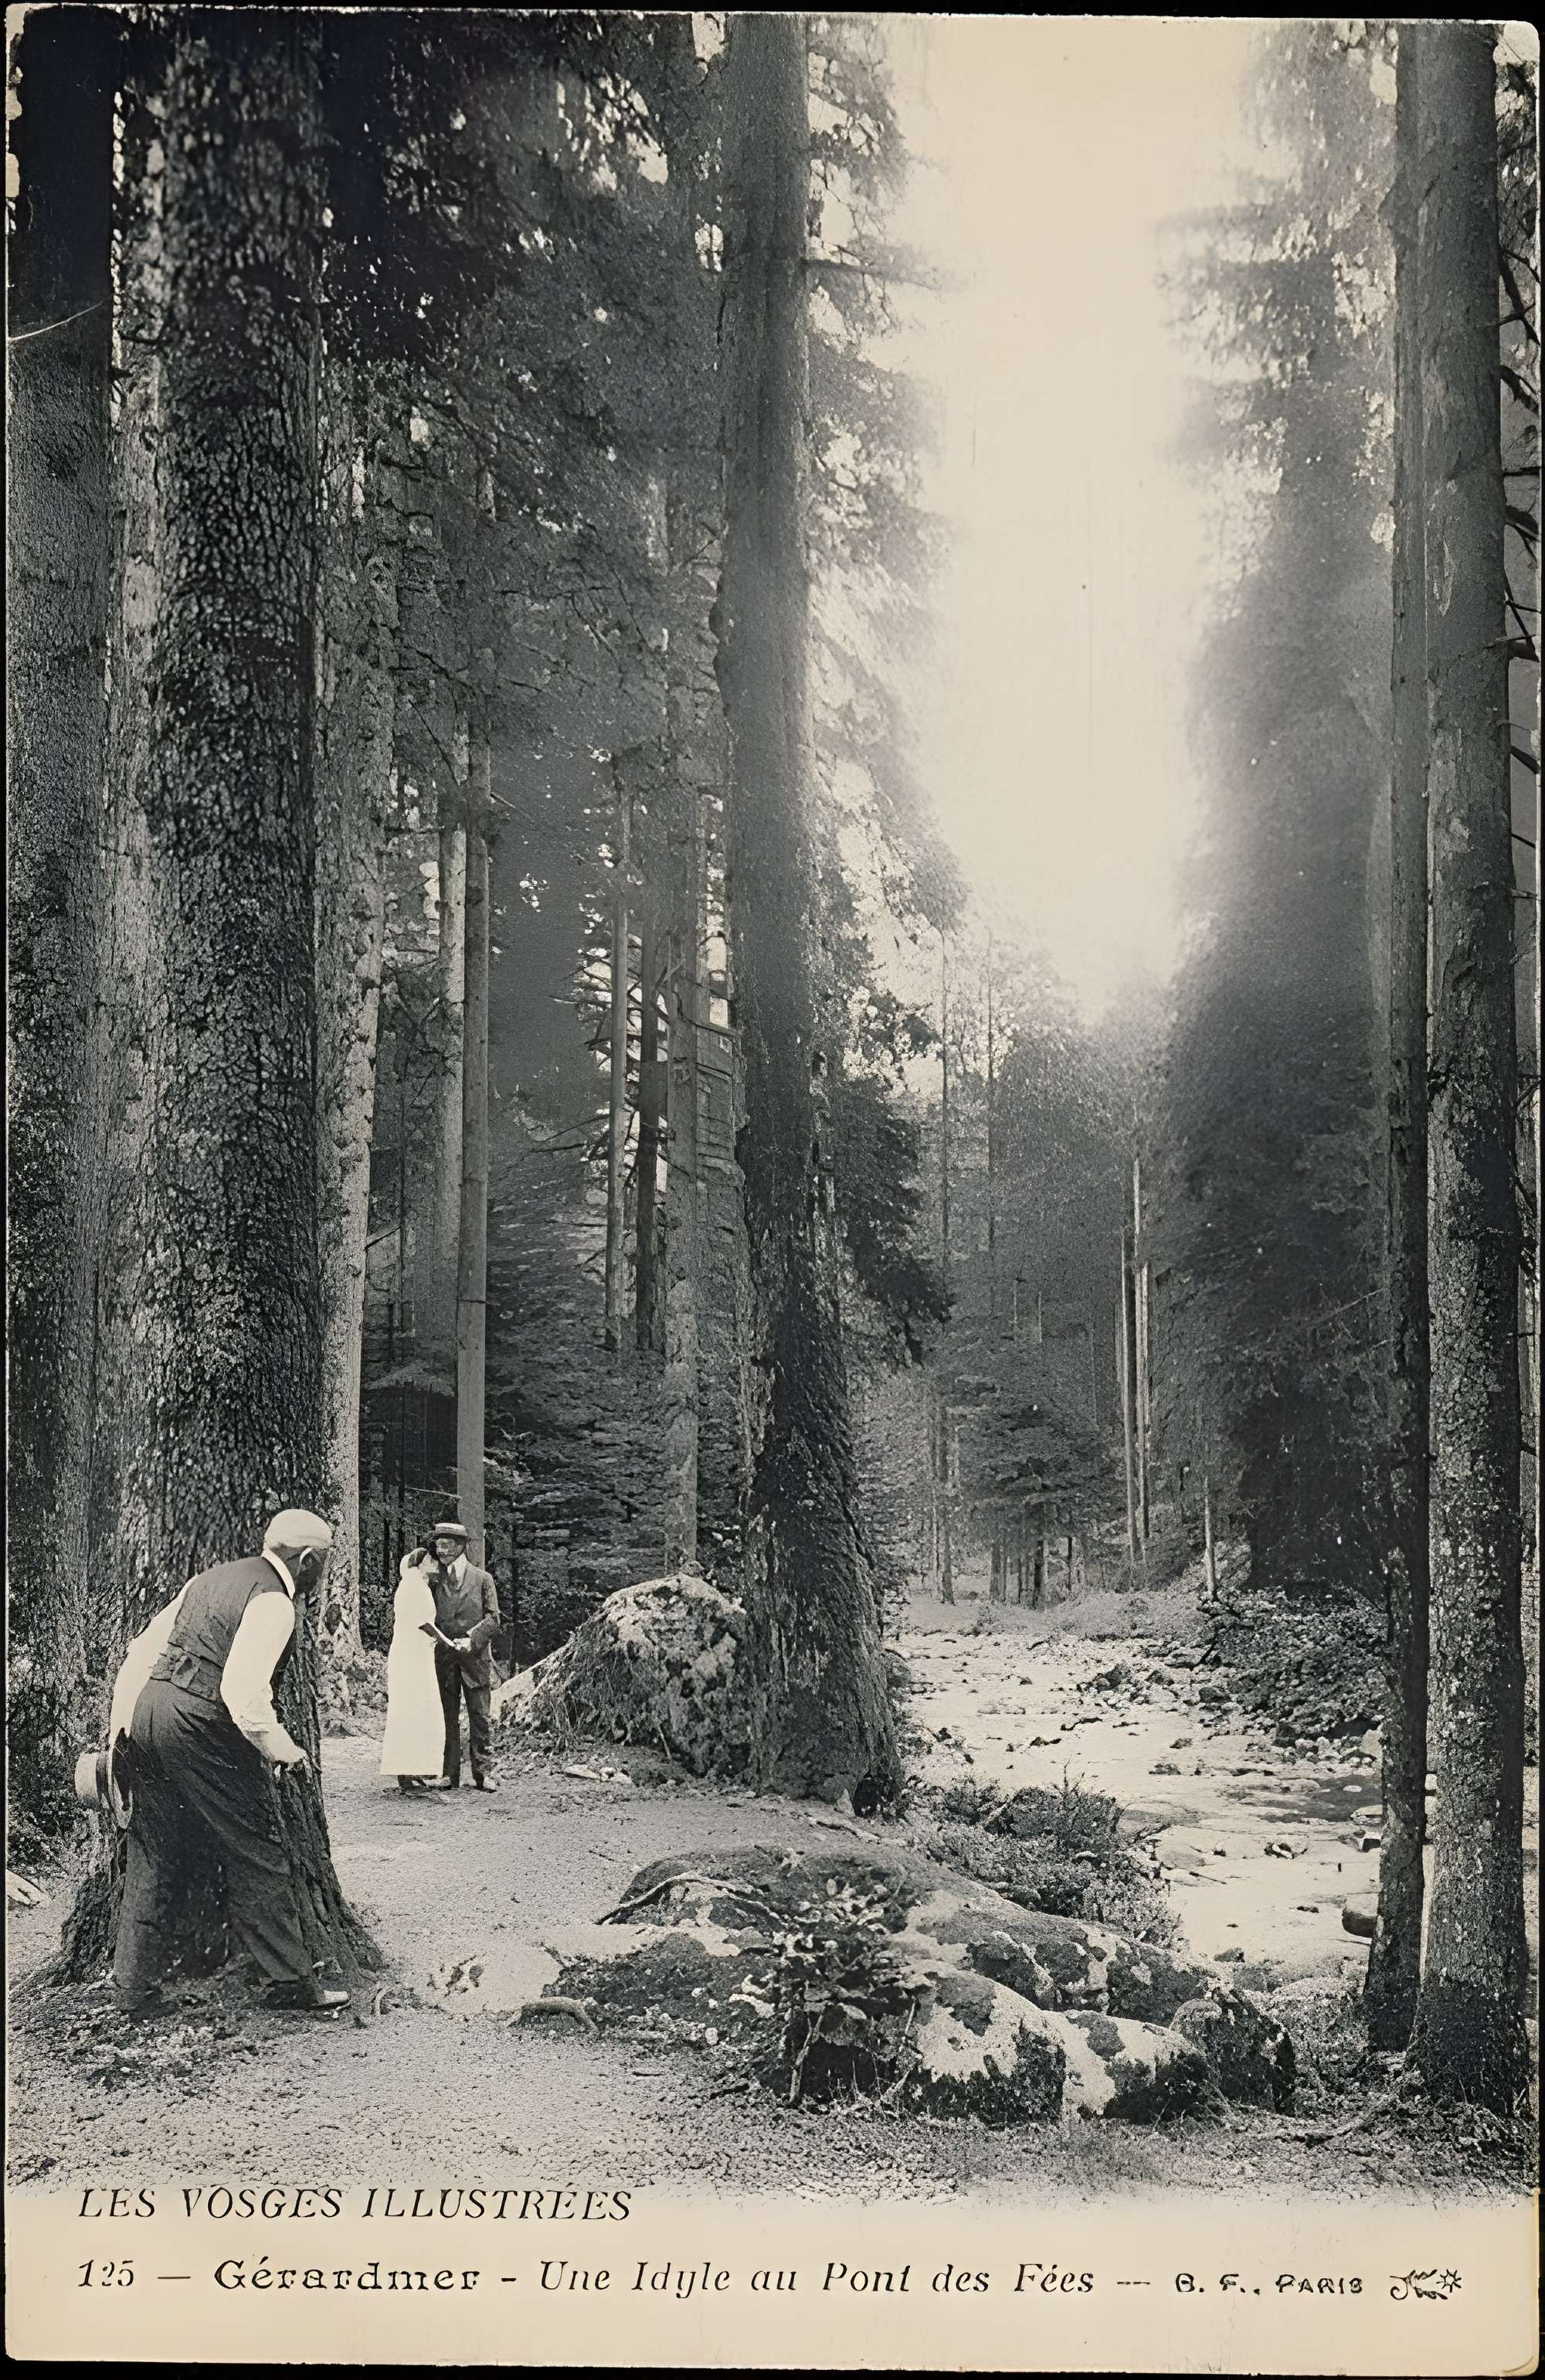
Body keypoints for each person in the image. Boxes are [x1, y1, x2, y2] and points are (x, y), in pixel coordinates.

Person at [107, 1509, 348, 2016]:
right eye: (322, 1565)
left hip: (149, 1709)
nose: (320, 1577)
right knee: (257, 1847)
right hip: (202, 1725)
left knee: (151, 1852)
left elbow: (141, 1650)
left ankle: (133, 1991)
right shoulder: (274, 1603)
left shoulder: (208, 1579)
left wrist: (122, 1732)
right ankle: (289, 1981)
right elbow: (243, 1694)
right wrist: (282, 1748)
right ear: (307, 1561)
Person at [424, 1520, 501, 1792]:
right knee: (447, 1716)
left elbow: (494, 1619)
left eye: (445, 1545)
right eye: (438, 1545)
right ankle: (449, 1774)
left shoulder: (483, 1579)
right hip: (445, 1660)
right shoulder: (434, 1580)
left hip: (475, 1661)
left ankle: (483, 1774)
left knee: (480, 1716)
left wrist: (472, 1640)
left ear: (459, 1547)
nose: (440, 1550)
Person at [379, 1549, 446, 1794]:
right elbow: (423, 1623)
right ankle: (403, 1771)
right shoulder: (412, 1586)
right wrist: (447, 1642)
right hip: (410, 1656)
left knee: (421, 1709)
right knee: (409, 1709)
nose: (434, 1563)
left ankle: (414, 1767)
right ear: (417, 1565)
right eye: (429, 1560)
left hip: (418, 1654)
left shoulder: (419, 1585)